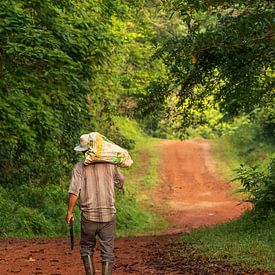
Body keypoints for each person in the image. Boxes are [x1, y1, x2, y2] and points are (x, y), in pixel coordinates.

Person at [66, 134, 124, 275]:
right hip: (108, 216)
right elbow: (120, 183)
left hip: (89, 217)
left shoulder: (80, 167)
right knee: (107, 252)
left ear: (85, 151)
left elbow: (74, 191)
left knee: (86, 248)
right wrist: (116, 183)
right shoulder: (111, 165)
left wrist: (69, 211)